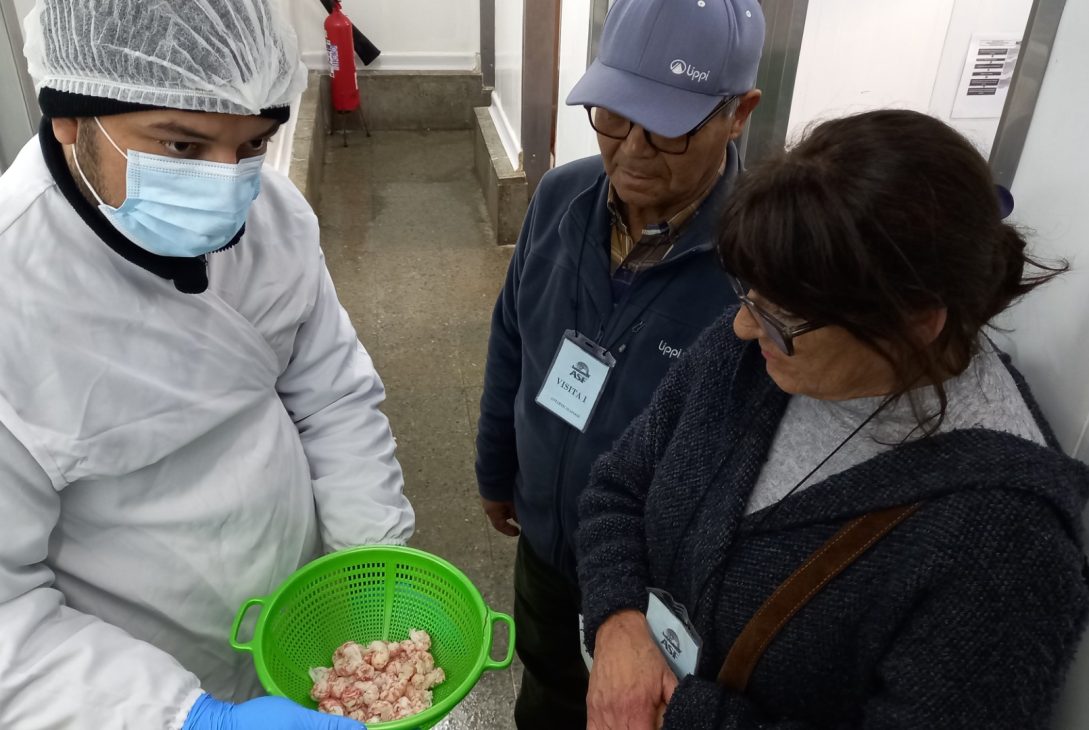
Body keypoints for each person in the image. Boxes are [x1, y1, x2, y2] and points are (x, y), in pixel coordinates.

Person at [576, 109, 1089, 730]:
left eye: (782, 317)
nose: (742, 324)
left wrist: (680, 713)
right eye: (746, 291)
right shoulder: (758, 340)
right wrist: (619, 620)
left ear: (913, 323)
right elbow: (618, 485)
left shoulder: (1004, 541)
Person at [0, 1, 413, 728]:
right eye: (183, 148)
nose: (228, 187)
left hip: (304, 616)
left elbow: (334, 400)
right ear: (69, 119)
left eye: (252, 145)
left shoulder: (275, 219)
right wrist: (184, 717)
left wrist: (369, 568)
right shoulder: (16, 291)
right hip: (130, 680)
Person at [475, 0, 765, 725]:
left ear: (738, 114)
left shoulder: (758, 260)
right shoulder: (559, 196)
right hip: (544, 529)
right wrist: (497, 466)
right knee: (544, 690)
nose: (631, 148)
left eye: (668, 127)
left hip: (656, 585)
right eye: (613, 114)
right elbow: (513, 335)